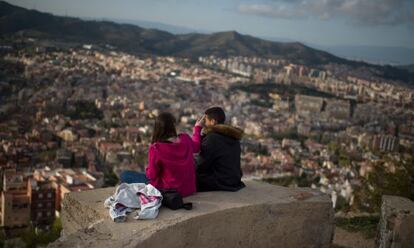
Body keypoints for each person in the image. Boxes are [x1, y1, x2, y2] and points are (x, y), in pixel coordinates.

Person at [120, 112, 203, 197]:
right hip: (188, 190)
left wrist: (148, 169)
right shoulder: (185, 138)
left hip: (169, 191)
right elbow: (196, 147)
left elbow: (152, 175)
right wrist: (197, 128)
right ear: (173, 126)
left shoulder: (156, 148)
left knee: (125, 175)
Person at [196, 107, 245, 192]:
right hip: (234, 181)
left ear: (213, 121)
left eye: (205, 120)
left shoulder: (212, 138)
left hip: (219, 182)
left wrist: (197, 129)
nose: (204, 123)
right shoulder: (233, 136)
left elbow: (201, 165)